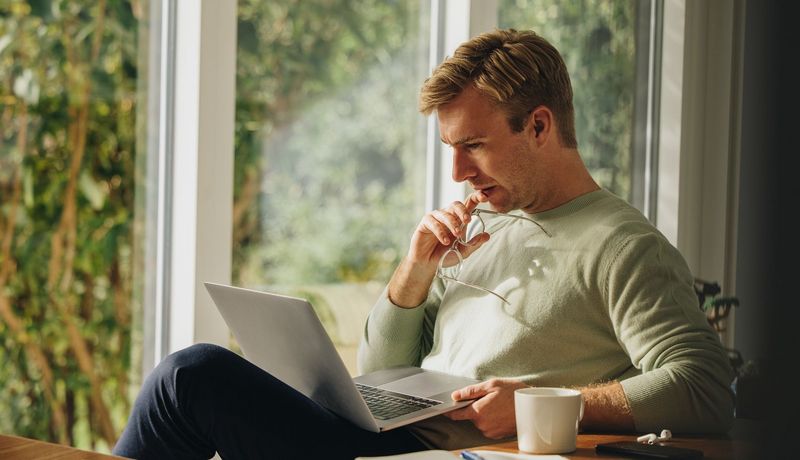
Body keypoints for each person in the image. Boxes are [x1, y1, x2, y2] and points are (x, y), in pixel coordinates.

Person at [113, 29, 734, 459]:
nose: (459, 172)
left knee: (191, 377)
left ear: (539, 125)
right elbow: (378, 373)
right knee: (189, 381)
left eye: (476, 145)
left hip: (442, 455)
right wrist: (414, 271)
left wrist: (536, 403)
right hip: (386, 439)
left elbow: (704, 388)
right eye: (451, 150)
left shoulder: (622, 245)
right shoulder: (484, 226)